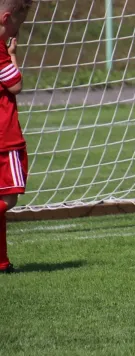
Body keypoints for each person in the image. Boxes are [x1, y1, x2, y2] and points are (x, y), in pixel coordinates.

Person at [0, 0, 31, 274]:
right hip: (5, 138)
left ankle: (2, 262)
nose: (18, 29)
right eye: (19, 23)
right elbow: (16, 85)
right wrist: (13, 54)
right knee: (8, 200)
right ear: (6, 18)